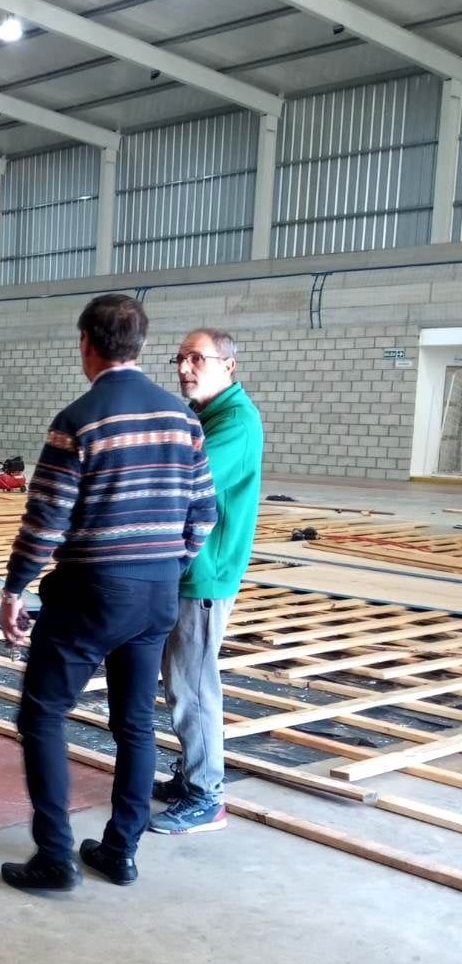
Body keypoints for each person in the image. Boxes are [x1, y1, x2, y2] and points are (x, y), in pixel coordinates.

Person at [0, 294, 217, 893]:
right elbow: (204, 511)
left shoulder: (77, 420)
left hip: (89, 592)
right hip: (157, 596)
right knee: (135, 725)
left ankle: (55, 856)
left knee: (42, 713)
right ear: (142, 347)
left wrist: (15, 588)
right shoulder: (182, 418)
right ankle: (120, 850)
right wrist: (170, 564)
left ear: (87, 345)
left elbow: (46, 521)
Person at [150, 329, 263, 837]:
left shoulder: (235, 422)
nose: (184, 368)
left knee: (192, 685)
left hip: (206, 575)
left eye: (198, 358)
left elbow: (186, 480)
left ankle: (206, 796)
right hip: (189, 568)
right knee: (181, 680)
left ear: (228, 365)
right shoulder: (205, 416)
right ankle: (192, 775)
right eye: (180, 358)